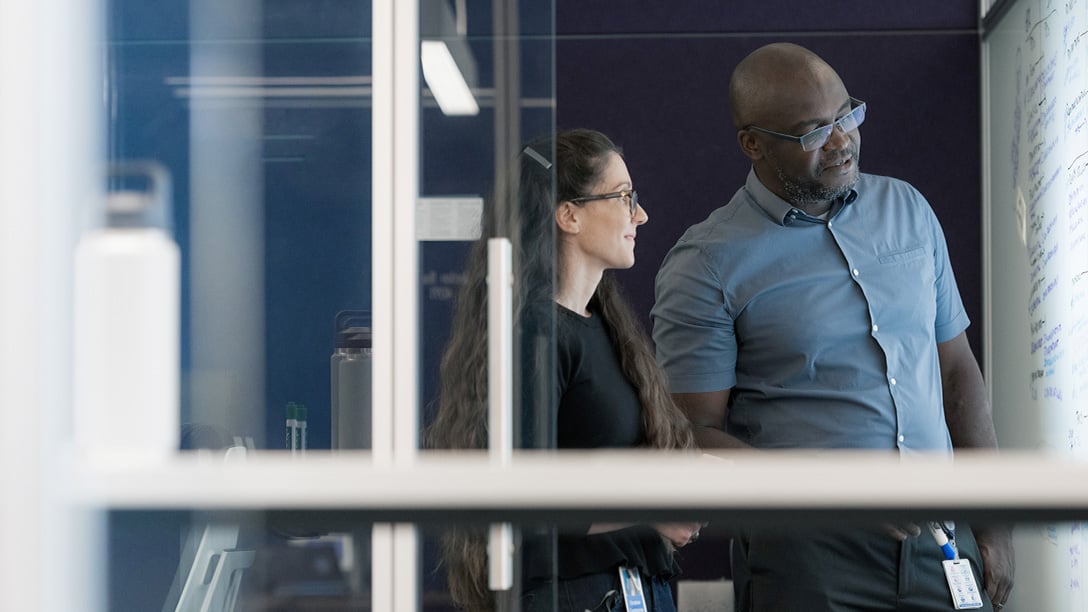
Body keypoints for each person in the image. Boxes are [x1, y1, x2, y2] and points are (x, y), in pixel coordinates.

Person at [651, 42, 1015, 611]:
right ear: (754, 144)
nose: (843, 139)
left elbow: (956, 372)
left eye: (847, 114)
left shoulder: (909, 210)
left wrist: (992, 523)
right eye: (814, 130)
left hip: (941, 546)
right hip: (807, 560)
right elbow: (690, 434)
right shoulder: (706, 262)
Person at [427, 128, 701, 612]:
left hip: (627, 592)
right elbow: (528, 504)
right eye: (623, 197)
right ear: (568, 214)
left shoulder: (602, 325)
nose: (640, 214)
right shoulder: (536, 332)